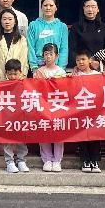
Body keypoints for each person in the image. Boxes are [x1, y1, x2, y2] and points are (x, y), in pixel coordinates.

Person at [34, 42, 67, 171]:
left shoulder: (61, 72)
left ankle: (57, 160)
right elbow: (35, 88)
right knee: (44, 131)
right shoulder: (39, 72)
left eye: (51, 54)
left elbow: (65, 89)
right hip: (43, 105)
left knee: (58, 132)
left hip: (57, 105)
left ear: (57, 56)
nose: (48, 57)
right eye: (46, 54)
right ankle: (47, 159)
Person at [70, 48, 102, 173]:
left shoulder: (97, 75)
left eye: (83, 59)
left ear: (90, 60)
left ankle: (95, 161)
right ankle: (85, 160)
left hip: (94, 111)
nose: (81, 62)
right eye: (78, 60)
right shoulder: (75, 76)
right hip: (80, 111)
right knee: (82, 136)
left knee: (95, 136)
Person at [67, 0, 105, 71]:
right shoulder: (76, 27)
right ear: (83, 8)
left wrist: (97, 60)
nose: (90, 9)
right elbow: (72, 50)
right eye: (87, 6)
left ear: (98, 9)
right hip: (81, 68)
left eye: (93, 6)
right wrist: (82, 63)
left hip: (100, 68)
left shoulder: (104, 27)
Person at [27, 0, 68, 72]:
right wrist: (34, 67)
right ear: (41, 7)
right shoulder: (33, 25)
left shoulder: (62, 27)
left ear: (56, 8)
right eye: (45, 5)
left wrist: (60, 68)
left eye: (51, 5)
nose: (48, 8)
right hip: (38, 67)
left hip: (56, 68)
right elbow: (30, 47)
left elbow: (64, 49)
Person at [2, 59, 29, 174]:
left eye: (15, 74)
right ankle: (9, 162)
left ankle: (21, 160)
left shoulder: (25, 84)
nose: (12, 76)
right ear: (6, 73)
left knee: (22, 139)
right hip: (7, 117)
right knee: (7, 139)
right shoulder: (2, 84)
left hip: (21, 117)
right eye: (10, 74)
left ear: (21, 73)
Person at [0, 8, 29, 81]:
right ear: (0, 22)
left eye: (10, 19)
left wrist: (19, 75)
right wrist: (2, 77)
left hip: (18, 79)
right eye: (4, 19)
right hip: (0, 80)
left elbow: (24, 60)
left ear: (15, 21)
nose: (7, 22)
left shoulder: (22, 40)